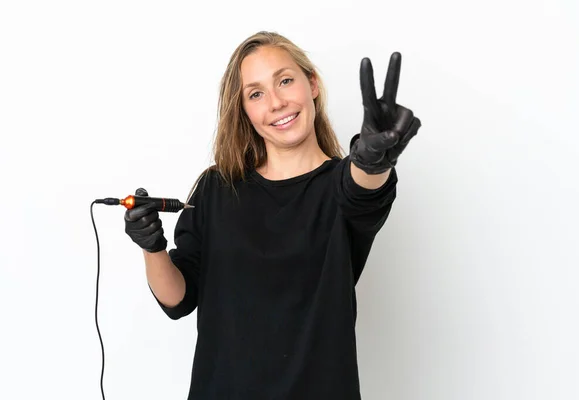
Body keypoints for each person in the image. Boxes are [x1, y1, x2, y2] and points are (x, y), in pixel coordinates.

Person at [124, 31, 421, 400]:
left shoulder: (340, 186)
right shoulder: (218, 188)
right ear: (245, 110)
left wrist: (373, 158)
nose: (277, 102)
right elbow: (178, 300)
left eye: (285, 80)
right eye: (256, 93)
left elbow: (363, 190)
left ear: (311, 83)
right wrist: (152, 246)